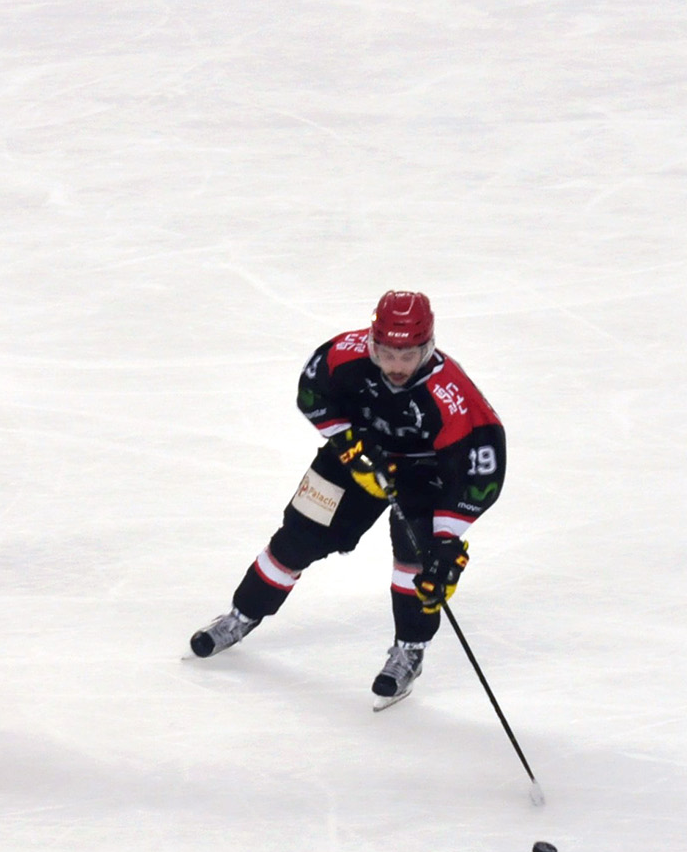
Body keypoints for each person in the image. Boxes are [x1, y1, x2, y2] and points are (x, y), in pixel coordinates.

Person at [188, 290, 505, 705]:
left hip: (426, 472)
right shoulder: (344, 354)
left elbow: (482, 472)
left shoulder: (451, 394)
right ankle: (241, 614)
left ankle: (409, 650)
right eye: (387, 352)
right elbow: (311, 393)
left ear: (427, 348)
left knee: (420, 565)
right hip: (356, 453)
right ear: (372, 341)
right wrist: (350, 446)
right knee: (297, 537)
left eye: (407, 355)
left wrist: (448, 538)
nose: (395, 366)